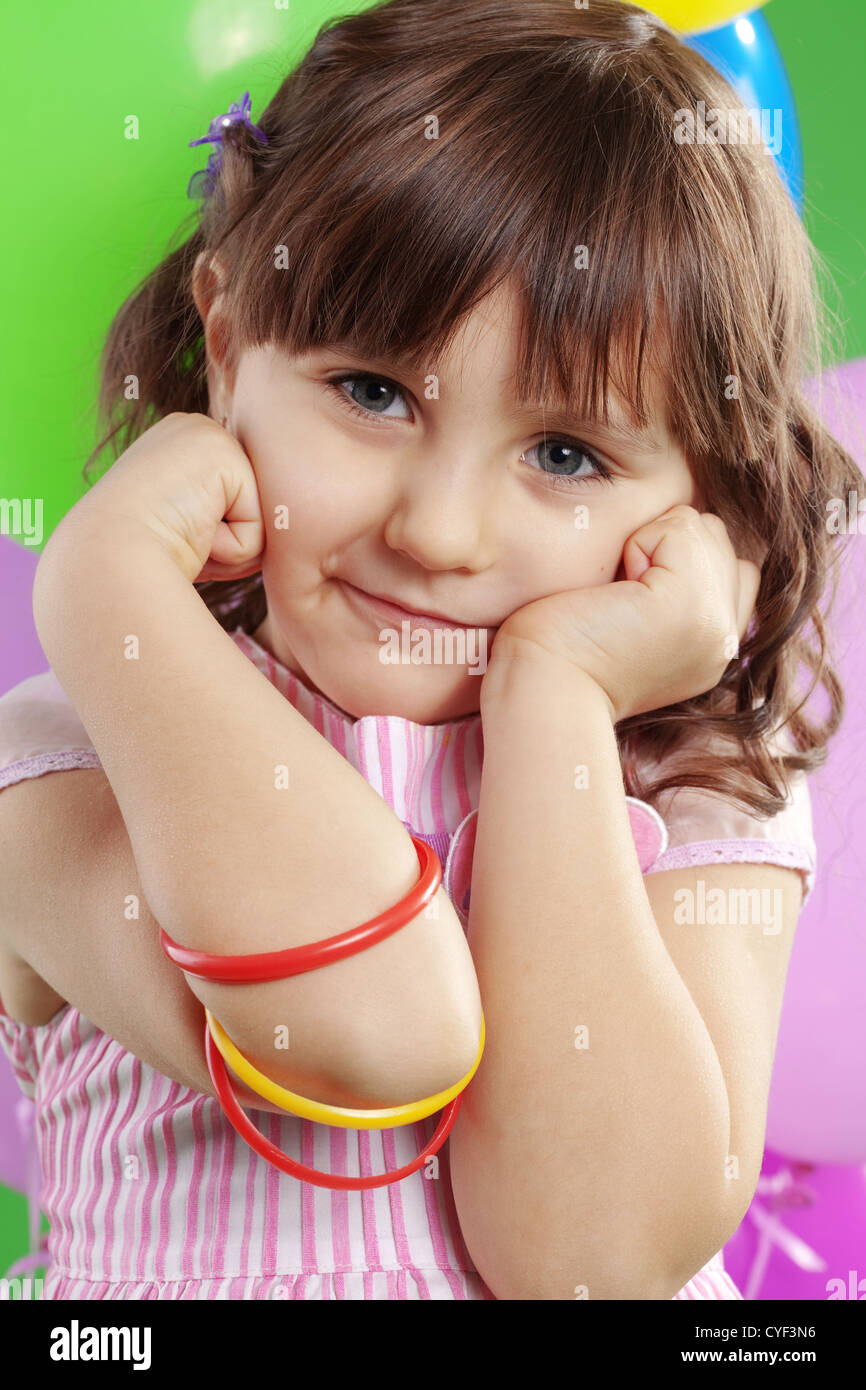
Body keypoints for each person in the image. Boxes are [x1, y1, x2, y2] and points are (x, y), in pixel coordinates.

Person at [0, 0, 858, 1300]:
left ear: (696, 497)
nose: (441, 531)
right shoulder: (65, 760)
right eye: (372, 393)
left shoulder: (694, 792)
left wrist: (555, 700)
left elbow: (589, 1260)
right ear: (225, 347)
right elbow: (364, 1030)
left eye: (566, 454)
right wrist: (109, 590)